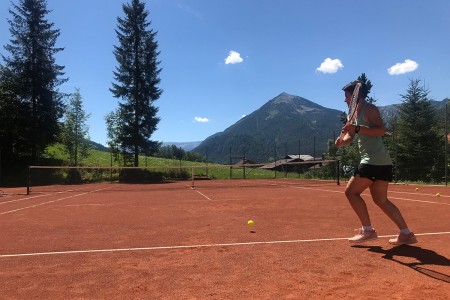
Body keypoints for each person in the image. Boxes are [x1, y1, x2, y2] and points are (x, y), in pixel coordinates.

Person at [335, 80, 417, 245]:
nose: (345, 100)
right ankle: (406, 234)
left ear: (356, 96)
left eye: (347, 96)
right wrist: (341, 141)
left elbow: (381, 130)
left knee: (351, 192)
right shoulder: (354, 113)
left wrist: (356, 129)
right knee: (381, 200)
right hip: (381, 162)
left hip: (372, 161)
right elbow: (351, 137)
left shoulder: (369, 109)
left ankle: (368, 231)